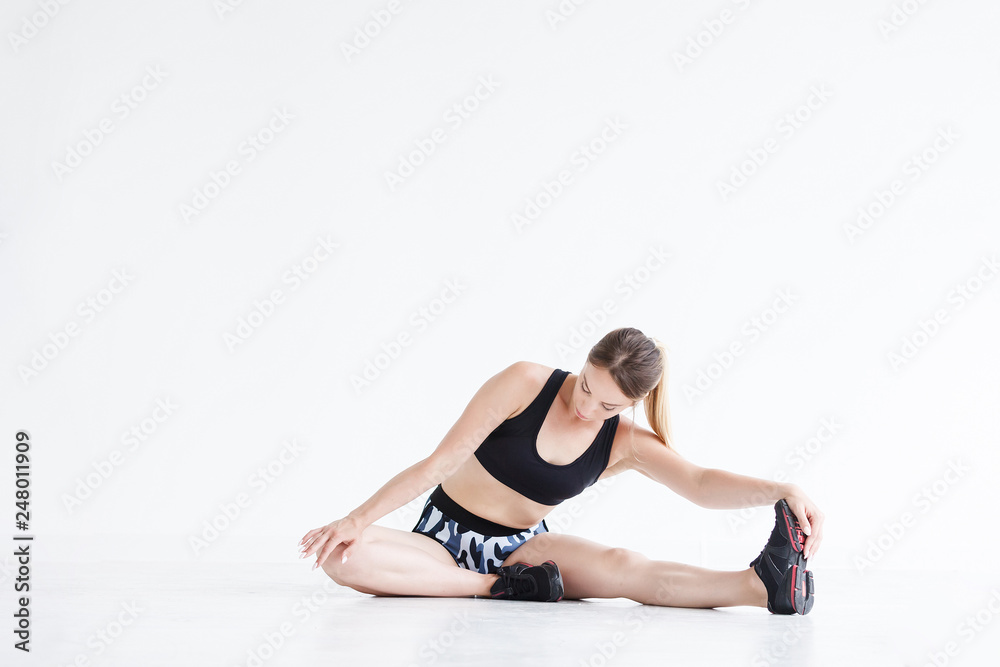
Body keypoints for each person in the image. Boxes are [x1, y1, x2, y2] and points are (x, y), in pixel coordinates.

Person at [299, 327, 821, 613]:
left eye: (609, 407)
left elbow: (701, 484)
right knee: (343, 558)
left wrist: (782, 488)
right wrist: (355, 519)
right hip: (439, 541)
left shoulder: (625, 442)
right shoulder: (524, 383)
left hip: (527, 552)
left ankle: (761, 586)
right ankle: (493, 588)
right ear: (584, 361)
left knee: (624, 567)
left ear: (632, 406)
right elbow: (440, 463)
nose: (587, 410)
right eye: (587, 388)